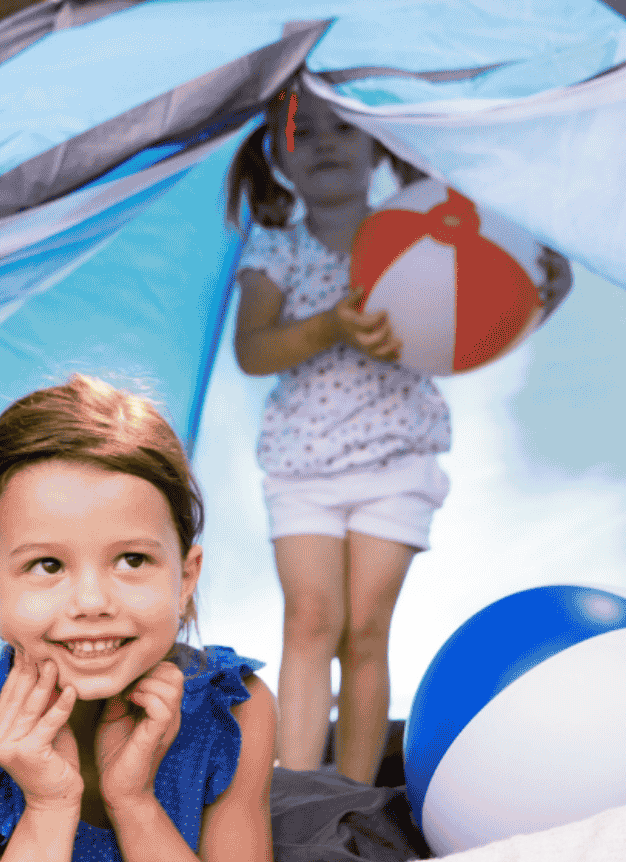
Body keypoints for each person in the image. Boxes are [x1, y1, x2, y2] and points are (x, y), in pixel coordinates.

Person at [227, 79, 571, 787]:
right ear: (278, 157)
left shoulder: (429, 232)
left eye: (342, 129)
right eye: (303, 131)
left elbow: (474, 324)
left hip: (397, 461)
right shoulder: (277, 251)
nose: (324, 143)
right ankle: (297, 788)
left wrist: (539, 296)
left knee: (365, 630)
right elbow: (252, 351)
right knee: (310, 620)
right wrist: (328, 325)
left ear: (377, 145)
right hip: (303, 465)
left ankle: (348, 797)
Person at [0, 375, 277, 862]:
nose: (92, 601)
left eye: (131, 560)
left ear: (185, 577)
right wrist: (49, 805)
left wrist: (134, 800)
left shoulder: (240, 709)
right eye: (47, 565)